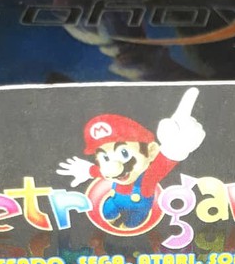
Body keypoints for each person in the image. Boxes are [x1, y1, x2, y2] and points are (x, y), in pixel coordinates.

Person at [57, 87, 205, 228]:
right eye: (105, 157)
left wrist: (177, 147)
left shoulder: (148, 178)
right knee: (107, 212)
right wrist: (87, 170)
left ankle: (129, 226)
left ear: (151, 151)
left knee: (133, 223)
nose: (113, 167)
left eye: (124, 153)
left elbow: (164, 162)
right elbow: (100, 171)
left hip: (138, 208)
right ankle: (112, 217)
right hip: (114, 201)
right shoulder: (110, 172)